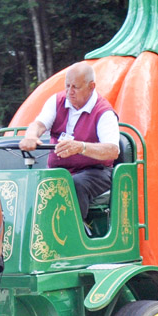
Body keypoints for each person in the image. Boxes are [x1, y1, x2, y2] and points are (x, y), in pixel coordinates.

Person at [20, 62, 120, 220]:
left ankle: (74, 234)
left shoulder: (104, 112)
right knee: (31, 183)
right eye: (67, 86)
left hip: (95, 172)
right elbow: (39, 124)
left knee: (73, 184)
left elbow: (113, 150)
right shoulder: (56, 101)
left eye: (76, 87)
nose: (69, 92)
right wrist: (31, 136)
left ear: (91, 86)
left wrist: (81, 147)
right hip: (58, 170)